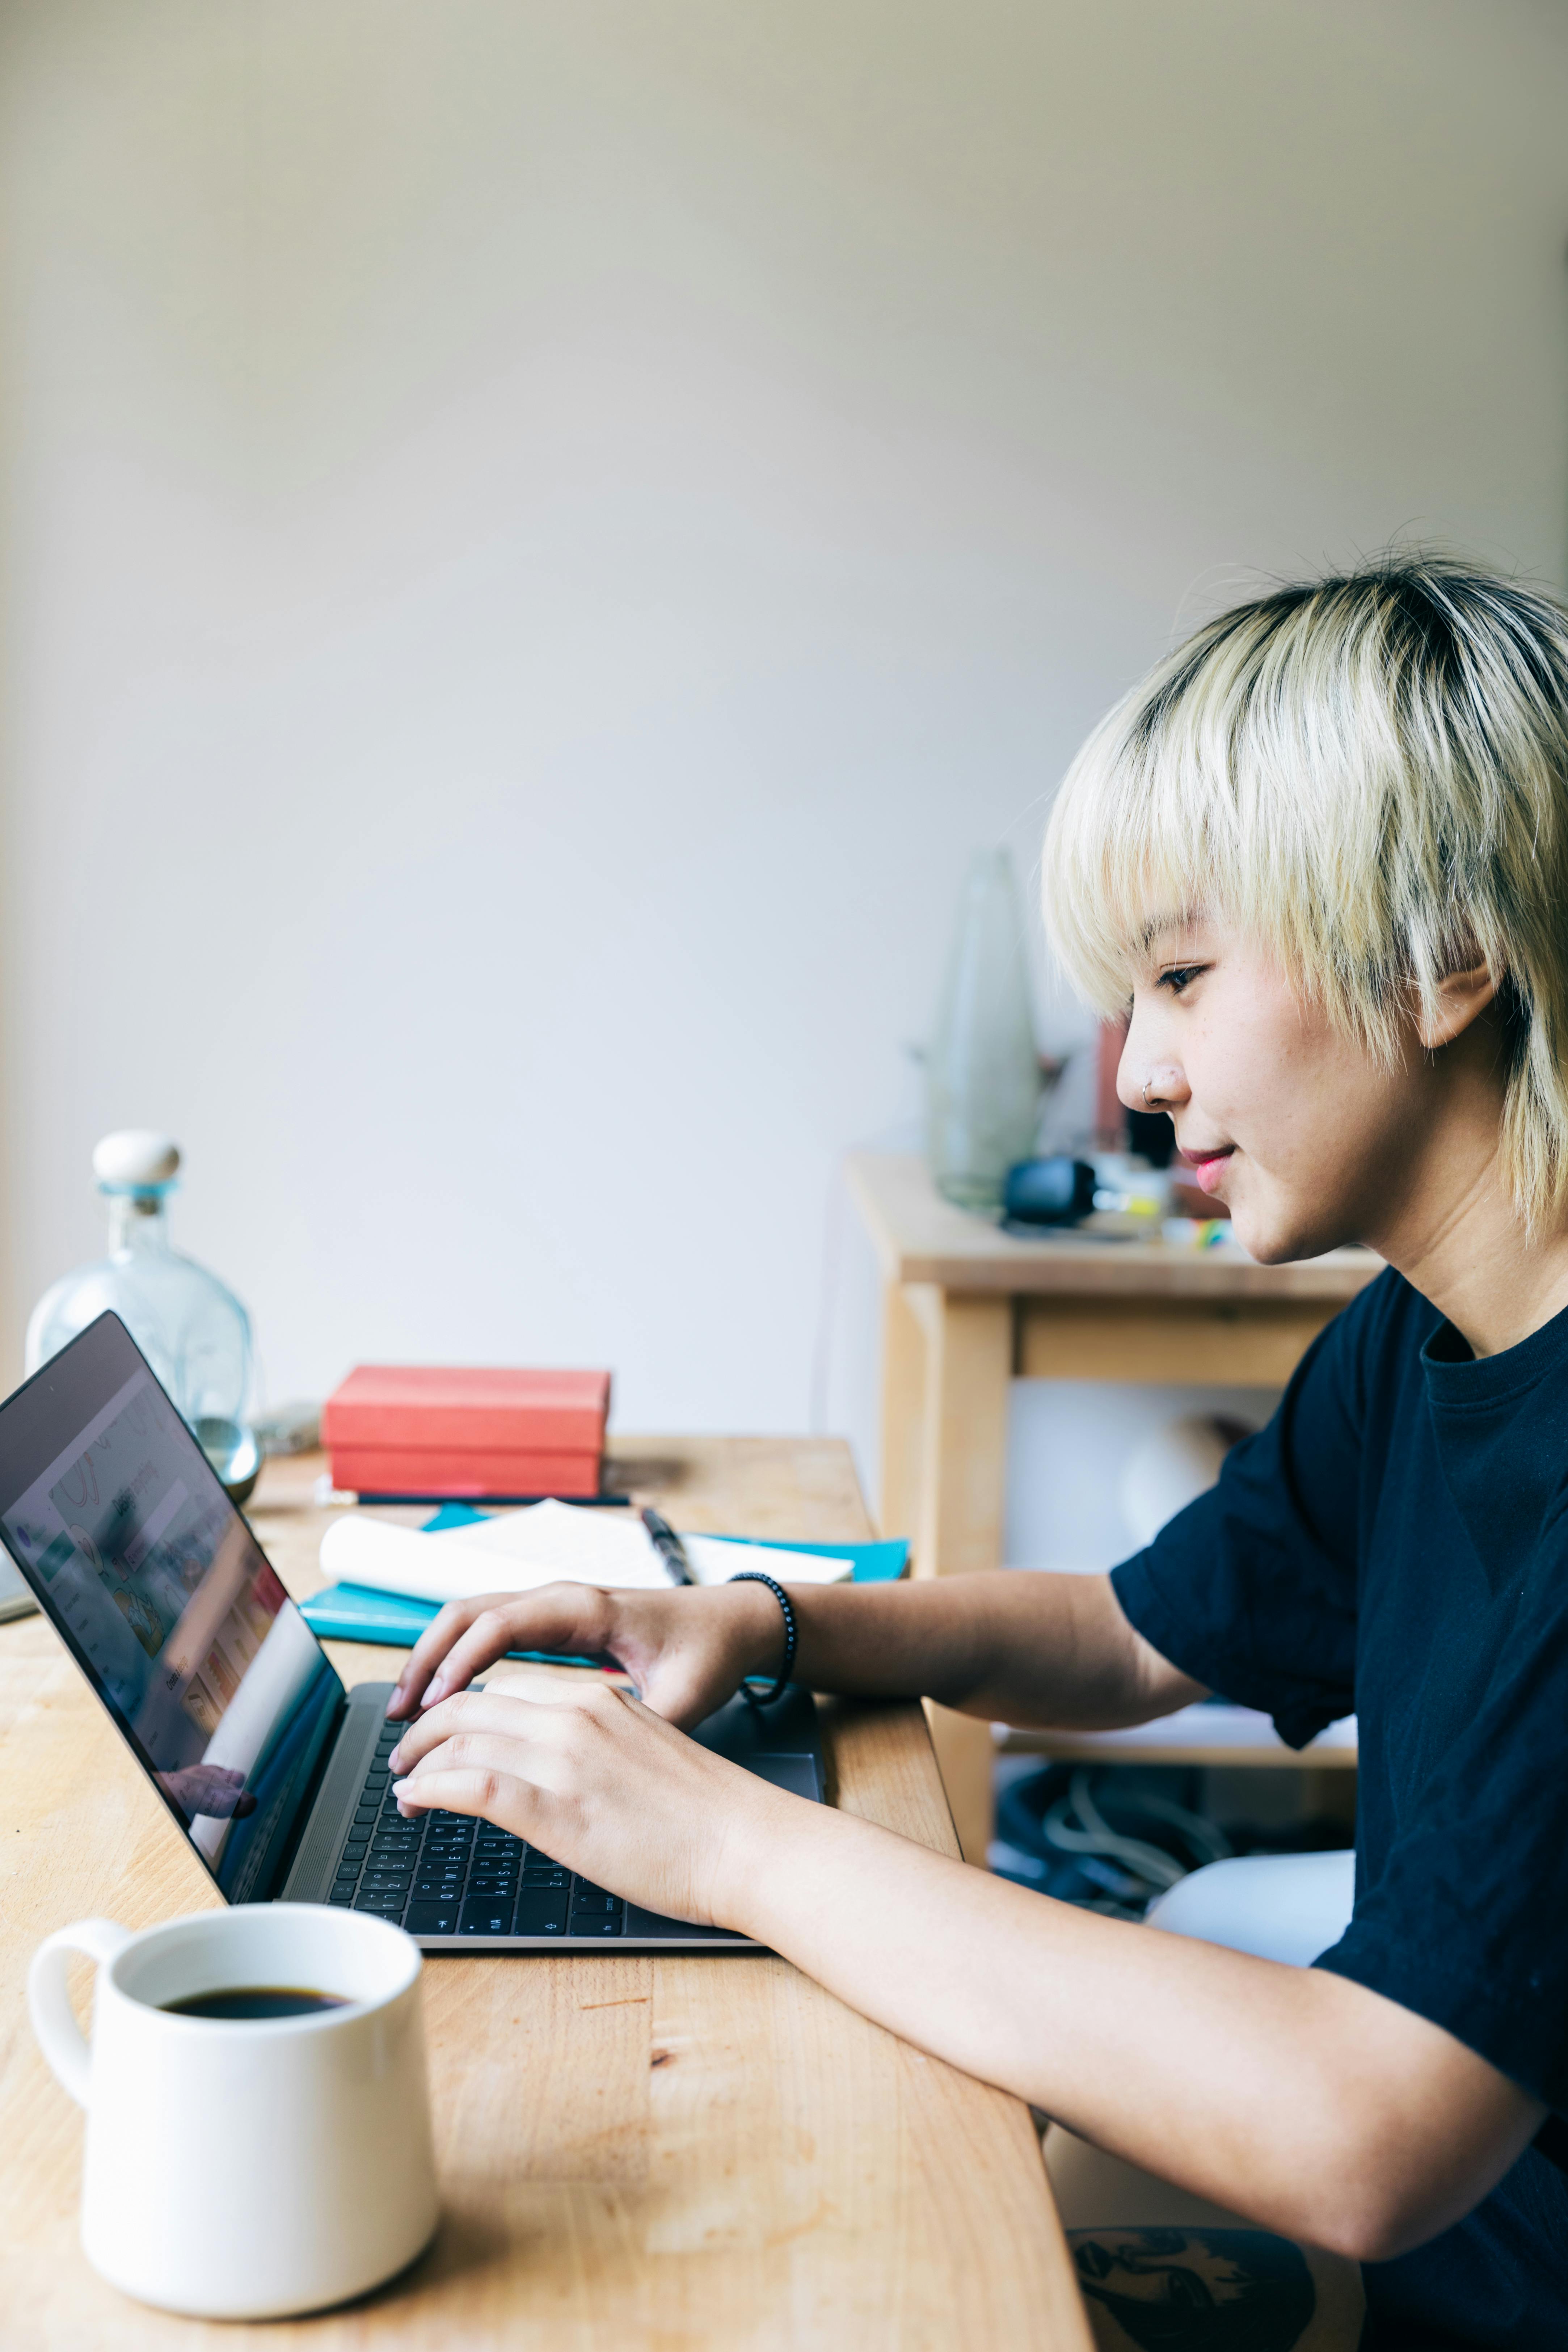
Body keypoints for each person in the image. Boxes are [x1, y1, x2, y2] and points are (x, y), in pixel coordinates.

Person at [387, 558, 1568, 2351]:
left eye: (1182, 974)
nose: (1140, 1074)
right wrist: (773, 1623)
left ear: (1449, 960)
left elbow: (1367, 2132)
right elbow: (1138, 1631)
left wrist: (726, 1847)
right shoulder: (1425, 1333)